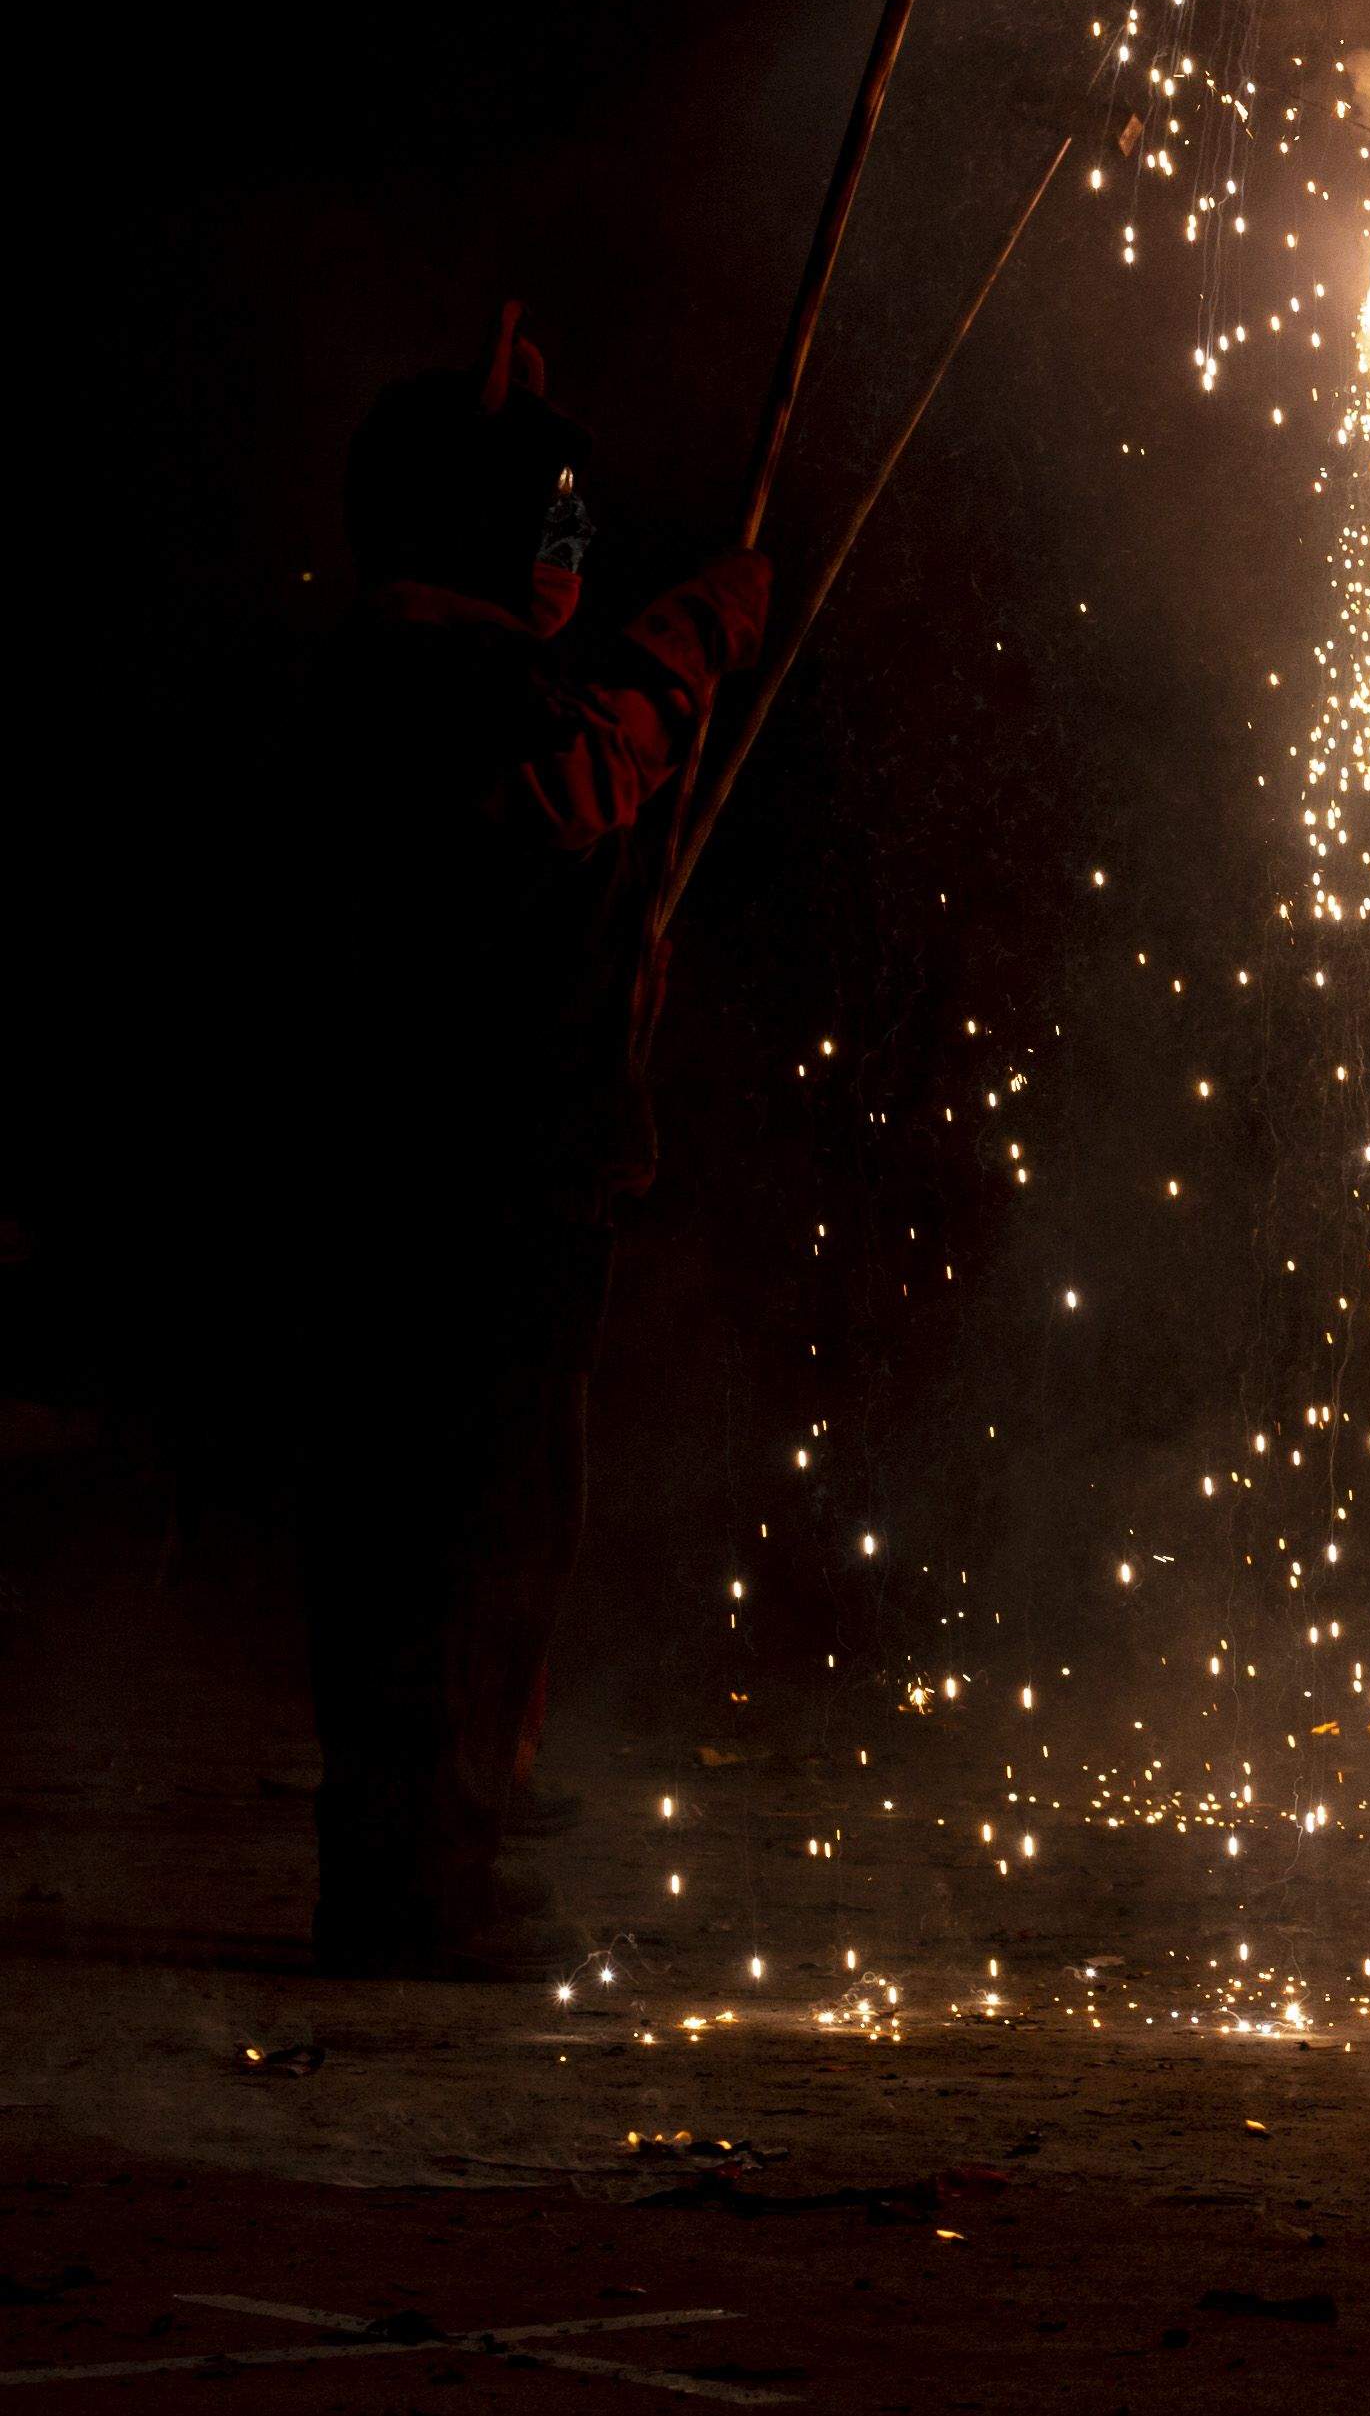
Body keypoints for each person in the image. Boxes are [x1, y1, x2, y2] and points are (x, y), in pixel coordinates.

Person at [296, 316, 767, 1978]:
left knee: (477, 1531)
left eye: (577, 521)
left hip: (498, 1178)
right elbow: (562, 783)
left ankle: (440, 1837)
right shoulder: (420, 672)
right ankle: (415, 1875)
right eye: (545, 520)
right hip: (451, 1185)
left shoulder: (471, 672)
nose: (571, 549)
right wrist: (682, 651)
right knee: (452, 1529)